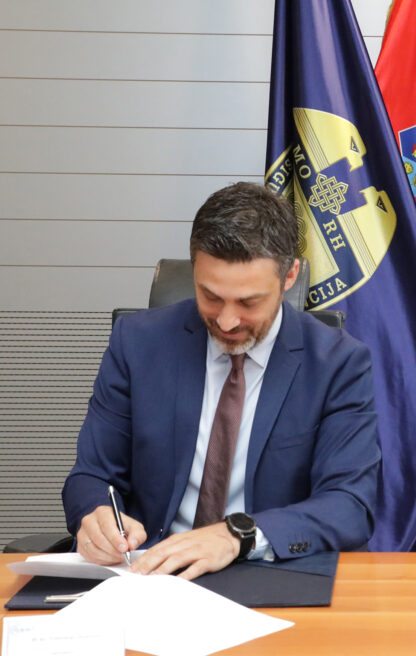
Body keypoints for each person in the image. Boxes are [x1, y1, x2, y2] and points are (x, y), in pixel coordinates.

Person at [63, 182, 381, 580]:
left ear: (290, 276)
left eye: (249, 302)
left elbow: (349, 505)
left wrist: (237, 536)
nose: (227, 321)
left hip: (272, 576)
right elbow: (91, 475)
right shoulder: (138, 343)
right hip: (151, 575)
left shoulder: (338, 363)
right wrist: (95, 516)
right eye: (210, 296)